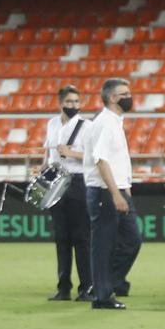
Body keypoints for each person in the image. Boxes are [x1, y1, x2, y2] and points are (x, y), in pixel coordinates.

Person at [84, 77, 140, 311]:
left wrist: (124, 190)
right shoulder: (105, 123)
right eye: (124, 93)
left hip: (117, 190)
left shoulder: (115, 121)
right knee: (104, 244)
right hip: (105, 192)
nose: (129, 97)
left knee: (132, 240)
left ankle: (104, 283)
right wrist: (116, 194)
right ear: (112, 97)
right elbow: (101, 160)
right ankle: (102, 295)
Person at [42, 85, 93, 301]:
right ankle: (63, 288)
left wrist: (70, 153)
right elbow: (48, 152)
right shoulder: (52, 124)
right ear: (60, 102)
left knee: (82, 238)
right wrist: (43, 167)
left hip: (78, 181)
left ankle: (86, 288)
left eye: (76, 102)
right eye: (70, 102)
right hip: (55, 181)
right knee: (61, 238)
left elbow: (93, 157)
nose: (73, 106)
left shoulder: (87, 126)